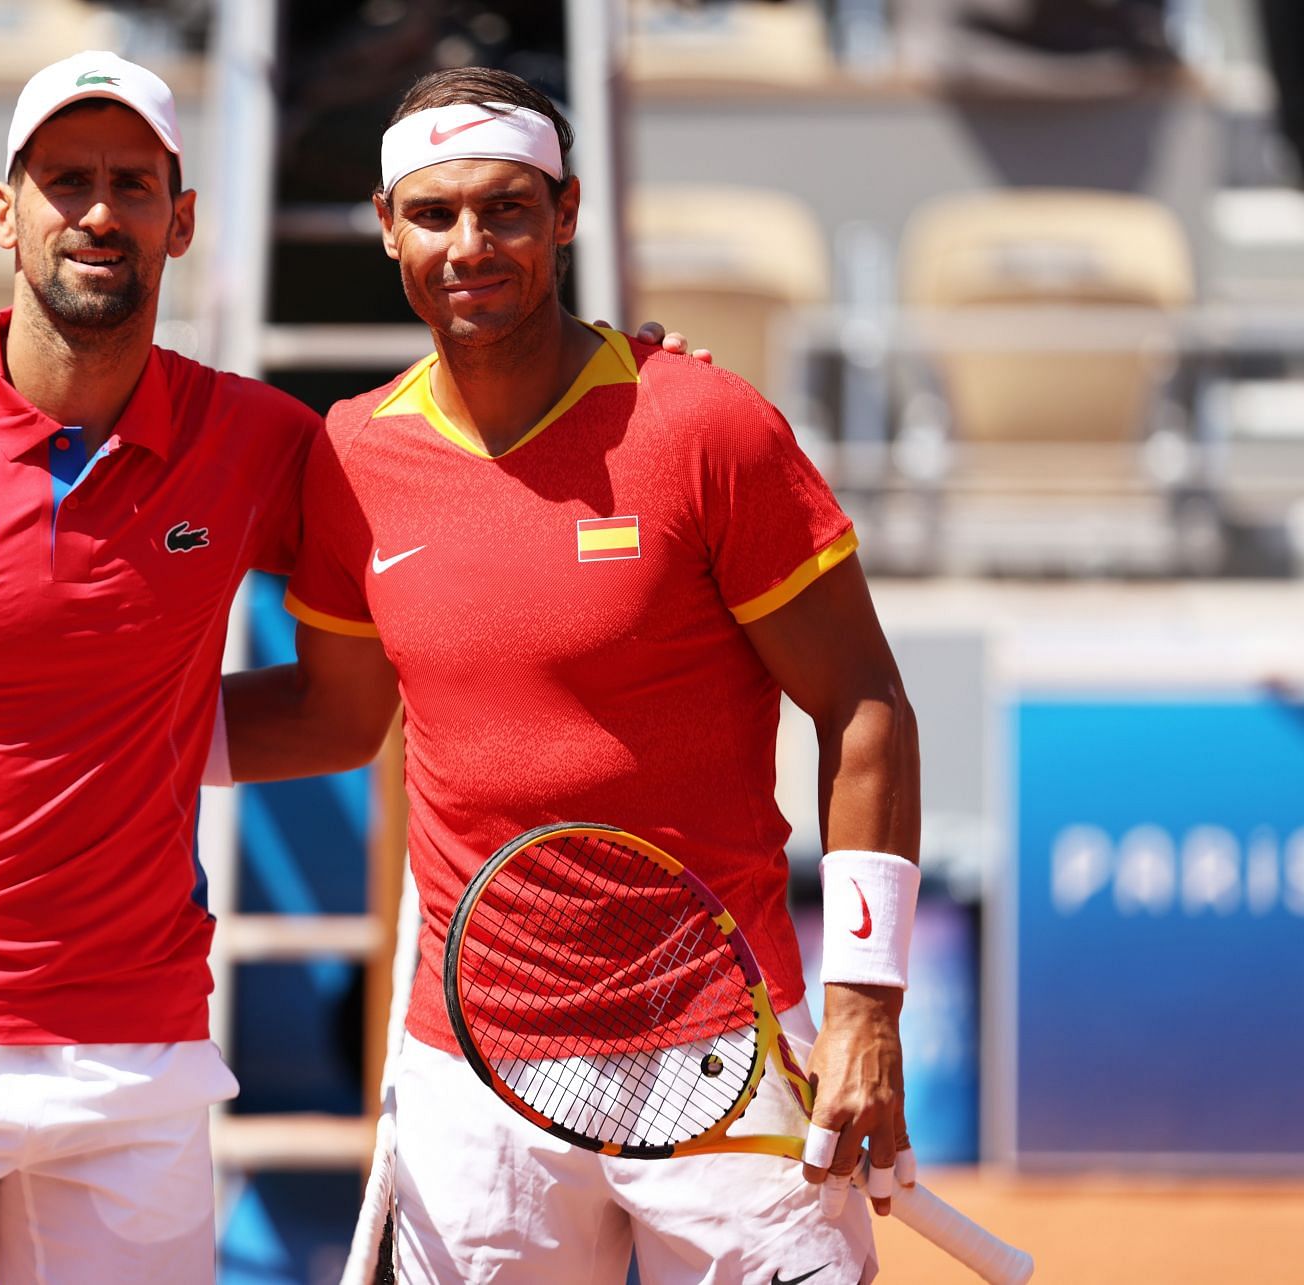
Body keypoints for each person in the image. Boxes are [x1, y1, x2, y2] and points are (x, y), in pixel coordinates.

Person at [0, 50, 696, 1284]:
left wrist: (605, 387)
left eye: (133, 184)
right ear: (6, 212)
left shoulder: (261, 442)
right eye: (65, 181)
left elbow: (378, 631)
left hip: (140, 1071)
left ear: (182, 219)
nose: (99, 212)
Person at [223, 66, 921, 1284]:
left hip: (723, 1046)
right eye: (433, 215)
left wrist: (866, 1007)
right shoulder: (350, 457)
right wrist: (83, 733)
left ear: (567, 212)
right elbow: (334, 717)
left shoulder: (705, 423)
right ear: (388, 229)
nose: (469, 244)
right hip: (472, 1072)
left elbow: (863, 708)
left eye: (505, 209)